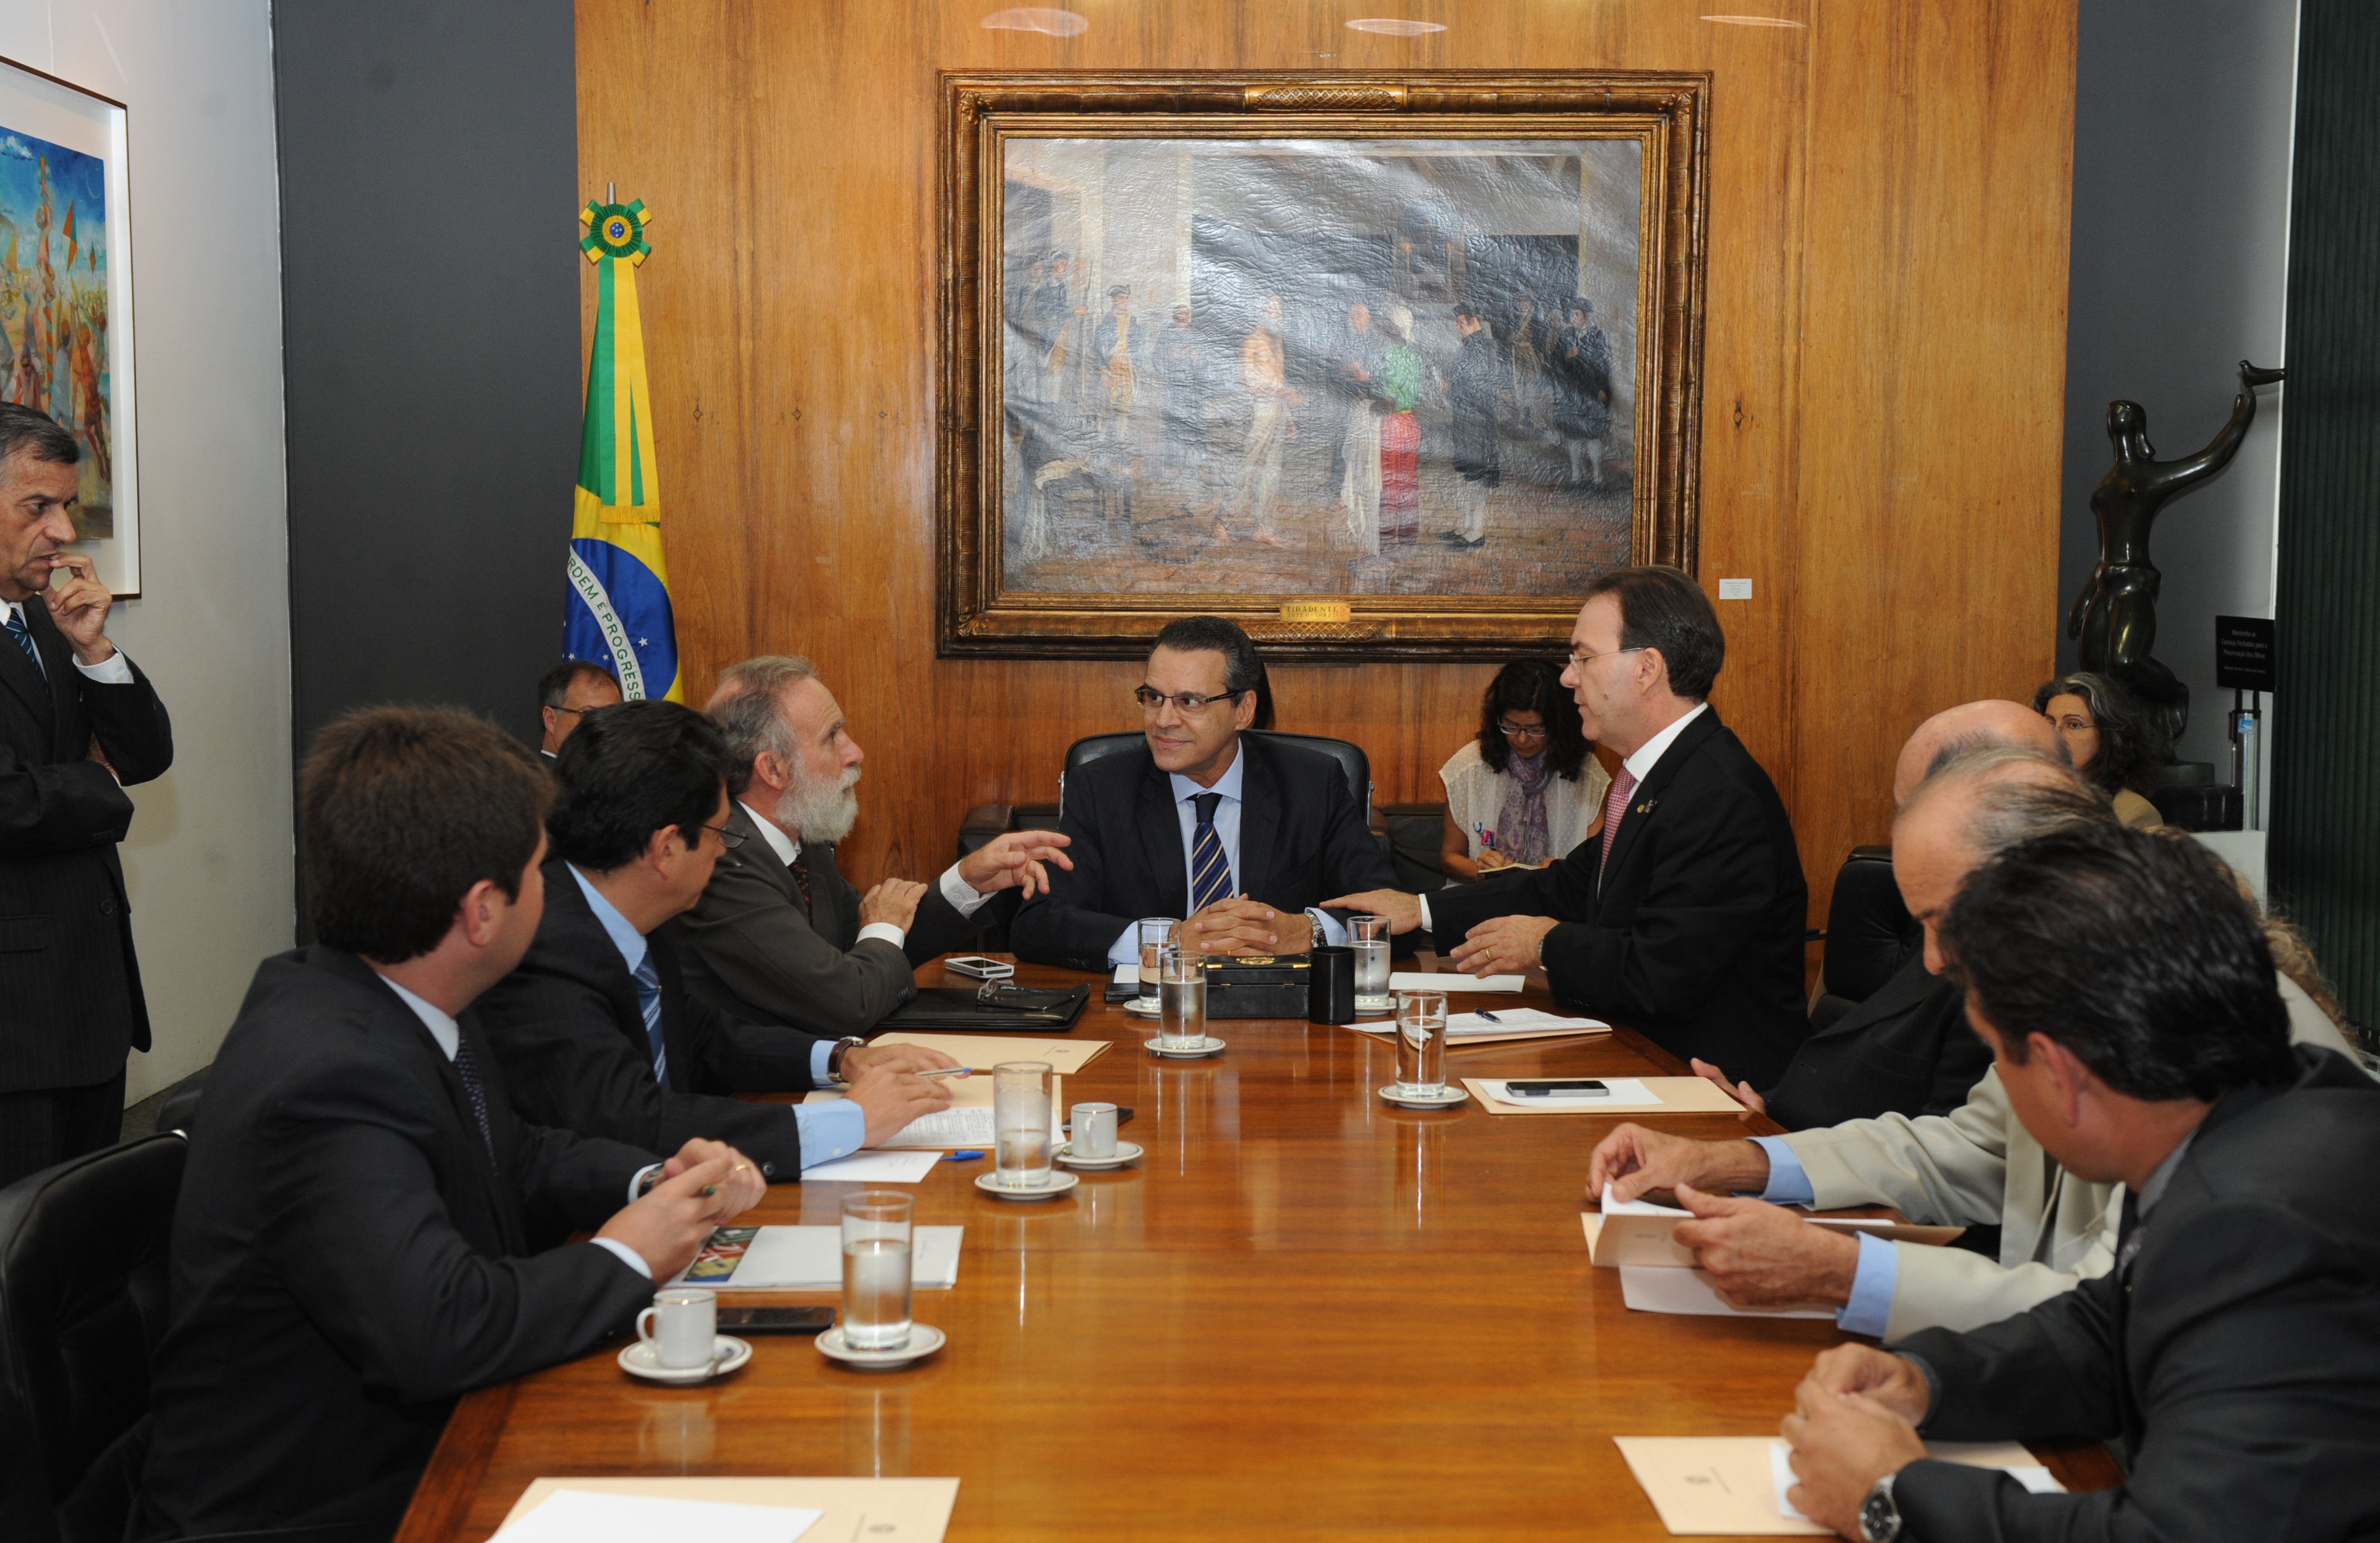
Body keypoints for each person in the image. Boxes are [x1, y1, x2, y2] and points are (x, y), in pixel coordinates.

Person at [133, 707, 765, 1539]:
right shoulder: (327, 1076)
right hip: (328, 1507)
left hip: (430, 1449)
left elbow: (515, 1149)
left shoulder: (396, 999)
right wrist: (627, 1251)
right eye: (544, 868)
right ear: (481, 910)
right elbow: (442, 1327)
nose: (559, 888)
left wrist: (651, 1182)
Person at [1586, 753, 2363, 1342]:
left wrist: (1841, 1270)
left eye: (1942, 917)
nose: (1930, 959)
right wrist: (1737, 1163)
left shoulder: (2212, 1035)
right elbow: (1970, 1147)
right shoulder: (2074, 988)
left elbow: (2101, 1312)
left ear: (2046, 888)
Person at [1774, 822, 2380, 1543]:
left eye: (1997, 1056)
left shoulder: (2253, 1224)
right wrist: (1929, 1380)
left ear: (2060, 1074)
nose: (1996, 1079)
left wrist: (1890, 1496)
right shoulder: (2248, 1103)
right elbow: (2106, 1326)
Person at [1331, 567, 1810, 1087]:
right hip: (1641, 1059)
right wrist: (1419, 908)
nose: (1568, 677)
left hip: (1710, 1087)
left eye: (1583, 657)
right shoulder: (1657, 776)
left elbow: (1662, 974)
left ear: (1647, 668)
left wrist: (1545, 943)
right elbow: (1566, 884)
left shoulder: (1718, 795)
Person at [474, 700, 956, 1181]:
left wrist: (841, 1056)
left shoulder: (633, 910)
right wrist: (847, 1121)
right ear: (665, 849)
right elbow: (633, 1122)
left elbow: (700, 1036)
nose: (725, 848)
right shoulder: (542, 952)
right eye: (719, 831)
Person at [1693, 702, 2070, 1131]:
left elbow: (1958, 1159)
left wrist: (1778, 1158)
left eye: (1909, 811)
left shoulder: (2024, 966)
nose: (1897, 834)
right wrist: (1763, 1115)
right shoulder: (1953, 907)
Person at [669, 655, 1073, 1035]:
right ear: (773, 768)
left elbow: (871, 950)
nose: (855, 751)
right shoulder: (722, 861)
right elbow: (849, 999)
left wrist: (969, 880)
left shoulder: (802, 838)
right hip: (750, 1096)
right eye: (832, 736)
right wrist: (883, 925)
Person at [1011, 615, 1398, 971]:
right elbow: (1038, 924)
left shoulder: (1312, 783)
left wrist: (1306, 931)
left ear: (1243, 710)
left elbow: (1393, 914)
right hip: (1146, 1015)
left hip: (1286, 1014)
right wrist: (1169, 940)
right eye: (1153, 697)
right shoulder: (1101, 789)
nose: (1163, 720)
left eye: (1189, 701)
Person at [0, 402, 172, 1189]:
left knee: (85, 1251)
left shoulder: (42, 615)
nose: (65, 533)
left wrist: (98, 650)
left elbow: (146, 754)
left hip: (90, 1003)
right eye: (39, 507)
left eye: (67, 507)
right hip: (17, 1034)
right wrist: (94, 779)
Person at [1437, 658, 1606, 882]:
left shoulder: (1588, 775)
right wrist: (1479, 870)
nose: (1522, 739)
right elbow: (1449, 857)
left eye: (1536, 729)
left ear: (1558, 725)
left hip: (1555, 907)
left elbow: (1599, 867)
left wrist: (1563, 871)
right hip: (1482, 900)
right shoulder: (1469, 767)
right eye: (1511, 726)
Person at [2032, 670, 2163, 827]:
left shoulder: (2133, 813)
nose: (2056, 735)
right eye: (2050, 723)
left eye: (2074, 724)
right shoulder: (2027, 797)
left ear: (2108, 737)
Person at [1221, 295, 1300, 547]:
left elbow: (1280, 381)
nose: (1276, 315)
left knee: (1272, 473)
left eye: (1279, 311)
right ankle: (1222, 522)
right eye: (1271, 311)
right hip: (1260, 410)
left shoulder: (1278, 344)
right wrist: (1280, 394)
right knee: (1250, 467)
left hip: (1278, 410)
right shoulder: (1251, 342)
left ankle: (1263, 527)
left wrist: (1289, 419)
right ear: (1260, 313)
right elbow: (1247, 381)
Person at [1440, 302, 1503, 549]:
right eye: (1457, 324)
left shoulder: (1482, 348)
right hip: (1467, 421)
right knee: (1468, 475)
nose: (1458, 328)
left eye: (1461, 323)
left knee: (1476, 476)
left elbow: (1476, 387)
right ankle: (1466, 525)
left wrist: (1451, 387)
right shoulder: (1471, 346)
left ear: (1474, 322)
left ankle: (1476, 531)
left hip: (1478, 423)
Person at [1335, 300, 1388, 555]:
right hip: (1349, 404)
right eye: (1352, 315)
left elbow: (1382, 376)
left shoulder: (1377, 342)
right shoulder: (1345, 341)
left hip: (1369, 407)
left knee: (1367, 462)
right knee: (1346, 452)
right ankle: (1343, 495)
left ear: (1368, 317)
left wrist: (1367, 376)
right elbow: (1336, 370)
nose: (1355, 319)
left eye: (1359, 314)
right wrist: (1348, 369)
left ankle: (1369, 522)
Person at [1376, 305, 1427, 548]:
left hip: (1393, 424)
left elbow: (1389, 397)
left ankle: (1387, 542)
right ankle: (1408, 541)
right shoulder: (1415, 356)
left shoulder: (1390, 354)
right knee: (1408, 485)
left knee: (1389, 485)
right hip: (1412, 423)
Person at [1548, 299, 1614, 487]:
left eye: (1578, 314)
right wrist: (1568, 356)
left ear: (1586, 315)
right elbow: (1554, 363)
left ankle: (1597, 476)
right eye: (1573, 315)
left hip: (1591, 391)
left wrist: (1602, 389)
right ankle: (1576, 476)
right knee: (1573, 435)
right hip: (1571, 393)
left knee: (1593, 434)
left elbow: (1604, 364)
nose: (1574, 318)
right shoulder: (1567, 335)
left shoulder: (1597, 336)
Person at [537, 658, 622, 758]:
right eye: (589, 715)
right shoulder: (526, 774)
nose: (602, 728)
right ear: (550, 719)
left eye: (612, 717)